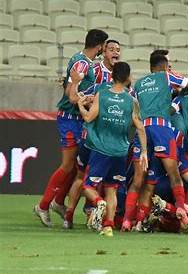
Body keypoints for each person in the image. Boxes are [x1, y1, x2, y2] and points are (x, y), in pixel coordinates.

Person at [34, 29, 109, 227]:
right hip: (70, 119)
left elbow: (73, 88)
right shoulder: (82, 63)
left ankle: (58, 202)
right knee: (68, 165)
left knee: (77, 167)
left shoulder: (82, 60)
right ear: (100, 45)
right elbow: (71, 95)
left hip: (77, 119)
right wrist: (86, 98)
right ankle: (42, 206)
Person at [132, 52, 188, 232]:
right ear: (164, 66)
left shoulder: (138, 84)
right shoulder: (168, 77)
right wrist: (180, 85)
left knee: (145, 182)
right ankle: (180, 207)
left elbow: (132, 106)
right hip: (162, 129)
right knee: (174, 174)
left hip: (143, 132)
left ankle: (135, 221)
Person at [77, 61, 148, 237]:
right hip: (120, 152)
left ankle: (99, 203)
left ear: (112, 76)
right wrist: (144, 151)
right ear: (127, 77)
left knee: (87, 186)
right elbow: (140, 127)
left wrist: (80, 104)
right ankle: (108, 226)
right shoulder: (132, 101)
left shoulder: (101, 95)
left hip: (101, 149)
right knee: (112, 189)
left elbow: (88, 118)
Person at [63, 39, 122, 229]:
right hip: (96, 136)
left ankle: (90, 212)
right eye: (111, 49)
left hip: (101, 136)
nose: (115, 53)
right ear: (103, 52)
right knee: (87, 177)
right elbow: (74, 96)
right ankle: (76, 215)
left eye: (118, 50)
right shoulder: (95, 72)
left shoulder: (120, 79)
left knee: (91, 178)